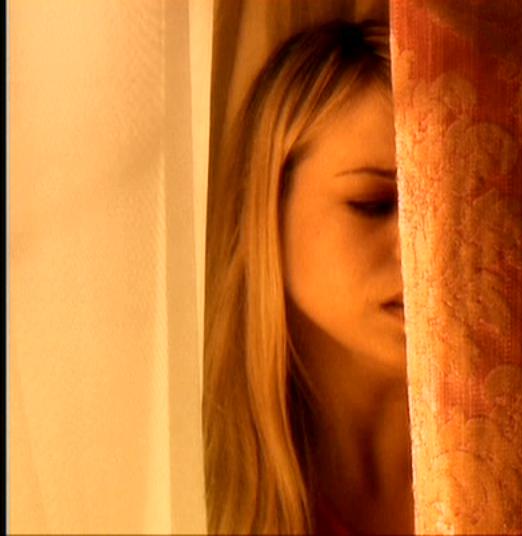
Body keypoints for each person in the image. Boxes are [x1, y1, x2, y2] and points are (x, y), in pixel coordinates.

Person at [202, 20, 413, 534]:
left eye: (458, 210)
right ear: (268, 214)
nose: (424, 246)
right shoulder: (197, 482)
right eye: (374, 203)